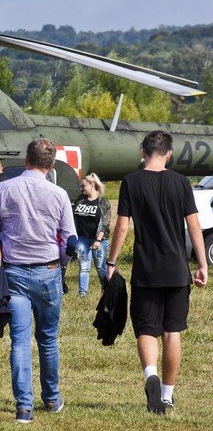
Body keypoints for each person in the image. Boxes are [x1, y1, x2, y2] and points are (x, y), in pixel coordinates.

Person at [106, 130, 208, 414]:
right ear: (169, 154)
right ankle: (166, 395)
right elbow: (194, 226)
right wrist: (202, 264)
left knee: (147, 330)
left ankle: (151, 374)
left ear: (142, 151)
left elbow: (123, 227)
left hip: (146, 270)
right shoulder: (181, 182)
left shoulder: (130, 182)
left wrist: (111, 262)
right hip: (177, 270)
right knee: (172, 332)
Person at [0, 139, 76, 424]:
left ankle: (24, 407)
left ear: (26, 160)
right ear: (51, 166)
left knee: (20, 342)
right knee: (47, 338)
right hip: (47, 272)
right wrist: (60, 265)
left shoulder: (3, 189)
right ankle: (51, 397)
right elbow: (70, 242)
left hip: (13, 273)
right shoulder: (59, 194)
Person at [72, 172, 111, 297]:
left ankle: (106, 290)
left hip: (99, 240)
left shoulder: (103, 202)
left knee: (100, 267)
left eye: (83, 186)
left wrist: (98, 240)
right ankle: (82, 293)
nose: (81, 188)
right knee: (83, 266)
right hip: (82, 239)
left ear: (92, 185)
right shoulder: (80, 200)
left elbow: (105, 223)